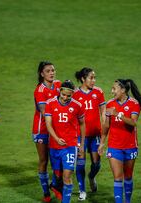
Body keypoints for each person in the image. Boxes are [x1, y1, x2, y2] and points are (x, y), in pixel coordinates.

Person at [98, 79, 141, 203]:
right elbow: (106, 125)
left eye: (114, 89)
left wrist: (118, 114)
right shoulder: (110, 104)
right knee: (118, 177)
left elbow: (133, 123)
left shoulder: (134, 104)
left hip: (130, 146)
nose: (112, 91)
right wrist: (102, 142)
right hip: (114, 146)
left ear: (123, 90)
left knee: (128, 176)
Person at [45, 80, 86, 203]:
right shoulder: (50, 103)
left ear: (72, 94)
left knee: (67, 176)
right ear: (60, 91)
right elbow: (48, 124)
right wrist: (56, 138)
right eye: (63, 95)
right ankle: (54, 185)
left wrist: (82, 145)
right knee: (57, 175)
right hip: (54, 146)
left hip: (70, 146)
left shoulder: (77, 105)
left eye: (69, 95)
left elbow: (83, 124)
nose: (65, 98)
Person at [72, 67, 106, 201]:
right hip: (80, 136)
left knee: (96, 163)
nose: (94, 80)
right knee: (80, 163)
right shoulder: (75, 94)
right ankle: (82, 190)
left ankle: (91, 177)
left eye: (94, 78)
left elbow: (103, 110)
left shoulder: (98, 92)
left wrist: (104, 126)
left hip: (95, 134)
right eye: (91, 78)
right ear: (83, 79)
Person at [31, 61, 61, 202]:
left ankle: (55, 185)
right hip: (41, 130)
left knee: (58, 160)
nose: (51, 73)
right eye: (48, 71)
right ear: (42, 74)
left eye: (53, 70)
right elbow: (44, 111)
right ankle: (46, 193)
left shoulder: (59, 85)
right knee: (44, 160)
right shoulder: (40, 90)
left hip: (56, 129)